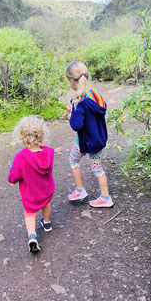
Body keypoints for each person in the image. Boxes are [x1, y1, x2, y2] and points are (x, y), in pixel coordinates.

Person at [65, 61, 113, 208]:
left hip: (85, 141)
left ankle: (80, 190)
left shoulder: (78, 101)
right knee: (97, 167)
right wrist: (74, 111)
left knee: (73, 160)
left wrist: (70, 116)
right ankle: (105, 197)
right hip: (98, 139)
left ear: (73, 81)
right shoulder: (94, 93)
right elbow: (91, 113)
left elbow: (76, 125)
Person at [8, 116, 55, 253]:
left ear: (23, 139)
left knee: (30, 213)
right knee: (46, 204)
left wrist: (11, 169)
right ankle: (47, 224)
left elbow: (14, 177)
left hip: (30, 194)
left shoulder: (21, 157)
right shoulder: (49, 153)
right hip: (45, 190)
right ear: (41, 137)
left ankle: (32, 237)